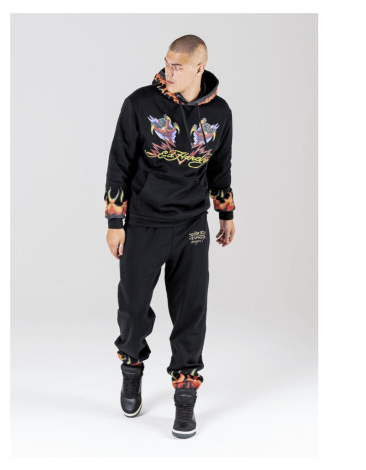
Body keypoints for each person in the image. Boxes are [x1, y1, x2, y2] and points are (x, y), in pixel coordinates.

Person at [104, 34, 236, 439]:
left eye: (177, 66)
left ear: (199, 67)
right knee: (132, 310)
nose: (168, 71)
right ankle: (132, 368)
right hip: (144, 223)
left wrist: (225, 213)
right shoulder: (140, 103)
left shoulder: (220, 113)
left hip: (192, 224)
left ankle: (185, 394)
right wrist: (114, 221)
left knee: (191, 312)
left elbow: (220, 165)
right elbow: (119, 163)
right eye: (166, 63)